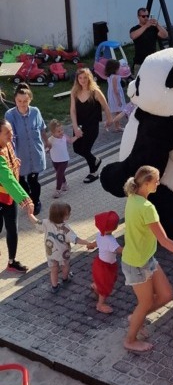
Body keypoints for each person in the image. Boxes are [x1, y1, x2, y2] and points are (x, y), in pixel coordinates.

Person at [122, 165, 173, 353]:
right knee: (145, 303)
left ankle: (136, 318)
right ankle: (130, 339)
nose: (158, 183)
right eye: (156, 180)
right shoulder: (147, 208)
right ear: (146, 183)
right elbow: (165, 241)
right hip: (137, 263)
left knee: (166, 294)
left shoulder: (132, 198)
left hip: (145, 258)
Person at [30, 201, 95, 293]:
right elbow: (76, 239)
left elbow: (36, 222)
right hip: (63, 253)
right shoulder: (65, 228)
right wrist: (88, 243)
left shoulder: (46, 222)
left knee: (53, 268)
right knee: (65, 265)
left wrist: (30, 213)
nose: (70, 214)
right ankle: (65, 278)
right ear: (62, 216)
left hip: (50, 252)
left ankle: (54, 286)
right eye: (68, 214)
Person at [5, 83, 49, 215]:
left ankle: (36, 201)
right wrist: (9, 156)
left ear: (30, 99)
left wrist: (47, 141)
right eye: (19, 101)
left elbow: (41, 128)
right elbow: (9, 137)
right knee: (20, 180)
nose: (22, 104)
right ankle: (28, 198)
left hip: (35, 153)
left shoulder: (35, 111)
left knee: (33, 180)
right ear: (15, 100)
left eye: (25, 101)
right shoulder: (10, 115)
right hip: (19, 154)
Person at [0, 118, 34, 272]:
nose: (11, 135)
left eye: (11, 131)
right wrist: (25, 200)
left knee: (12, 228)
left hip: (9, 196)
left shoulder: (7, 144)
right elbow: (7, 179)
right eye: (7, 133)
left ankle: (12, 262)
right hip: (4, 194)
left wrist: (14, 163)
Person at [70, 68, 113, 183]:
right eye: (80, 78)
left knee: (85, 149)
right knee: (77, 149)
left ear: (89, 78)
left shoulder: (95, 92)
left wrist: (109, 119)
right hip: (79, 125)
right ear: (77, 79)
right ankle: (95, 160)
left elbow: (105, 106)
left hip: (92, 126)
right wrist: (75, 127)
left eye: (85, 77)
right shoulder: (74, 92)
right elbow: (72, 111)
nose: (82, 80)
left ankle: (93, 172)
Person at [91, 210, 122, 314]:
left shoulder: (100, 235)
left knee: (100, 280)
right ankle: (100, 304)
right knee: (106, 285)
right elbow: (119, 250)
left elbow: (97, 243)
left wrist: (91, 245)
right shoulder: (110, 241)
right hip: (106, 267)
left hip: (99, 263)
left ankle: (96, 286)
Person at [129, 8, 168, 73]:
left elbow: (165, 35)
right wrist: (146, 26)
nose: (146, 18)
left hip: (153, 61)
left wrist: (157, 25)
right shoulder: (135, 28)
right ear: (138, 17)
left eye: (147, 16)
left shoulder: (153, 28)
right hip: (140, 62)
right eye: (143, 16)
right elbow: (133, 36)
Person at [47, 119, 76, 198]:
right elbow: (47, 148)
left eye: (62, 130)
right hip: (55, 160)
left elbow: (71, 141)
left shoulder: (64, 137)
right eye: (58, 131)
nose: (61, 132)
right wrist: (46, 150)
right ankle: (65, 184)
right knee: (60, 173)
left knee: (58, 174)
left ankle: (58, 190)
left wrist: (77, 136)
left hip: (64, 159)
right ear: (52, 133)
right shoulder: (50, 140)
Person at [104, 58, 127, 131]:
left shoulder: (110, 76)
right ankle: (109, 123)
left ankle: (117, 126)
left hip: (112, 95)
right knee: (120, 111)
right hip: (116, 96)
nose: (120, 68)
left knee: (117, 111)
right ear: (115, 69)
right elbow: (115, 89)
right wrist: (119, 100)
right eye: (119, 67)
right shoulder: (115, 77)